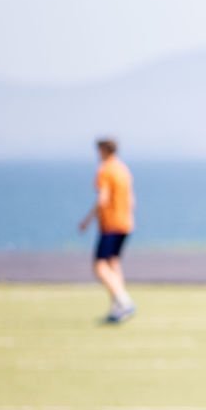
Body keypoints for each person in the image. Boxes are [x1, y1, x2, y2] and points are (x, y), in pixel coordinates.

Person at [77, 137, 135, 323]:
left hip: (111, 224)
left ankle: (123, 300)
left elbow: (103, 198)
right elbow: (132, 199)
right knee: (113, 263)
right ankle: (117, 308)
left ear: (104, 151)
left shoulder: (106, 170)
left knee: (100, 265)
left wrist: (87, 220)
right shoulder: (123, 169)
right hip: (126, 222)